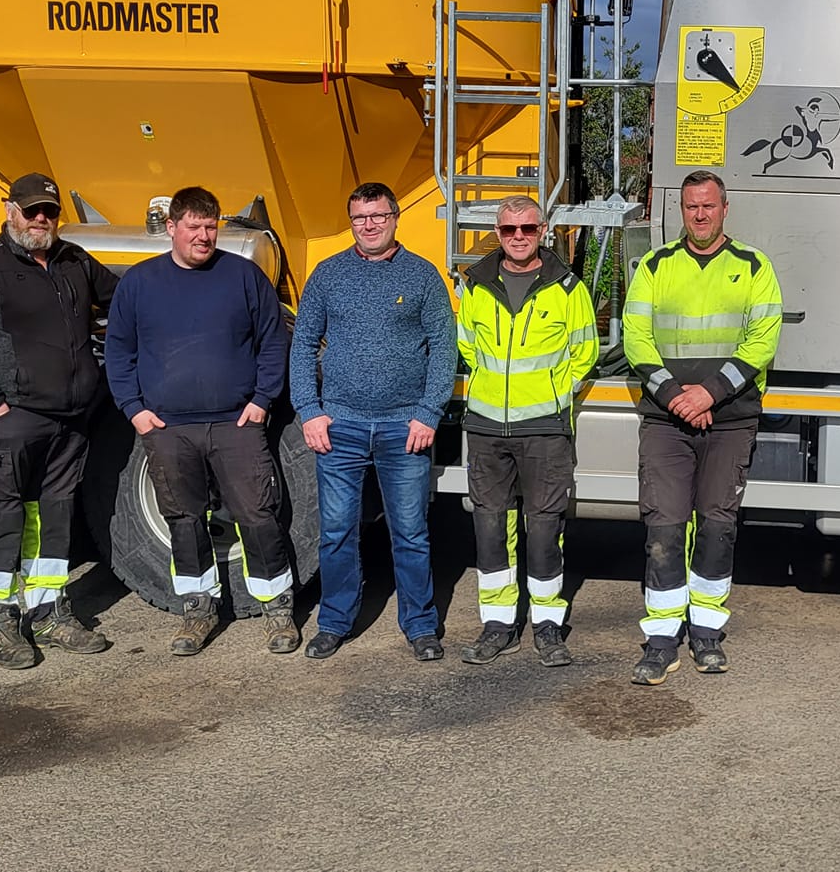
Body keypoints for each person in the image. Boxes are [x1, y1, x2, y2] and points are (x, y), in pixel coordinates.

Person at [104, 186, 298, 657]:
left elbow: (273, 341)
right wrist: (136, 410)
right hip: (168, 429)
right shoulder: (139, 283)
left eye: (211, 227)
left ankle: (277, 608)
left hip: (236, 424)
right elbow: (119, 351)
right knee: (184, 519)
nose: (204, 236)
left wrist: (262, 401)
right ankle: (198, 608)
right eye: (193, 227)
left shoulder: (244, 277)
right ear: (171, 228)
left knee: (257, 515)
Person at [0, 172, 119, 669]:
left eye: (50, 212)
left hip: (69, 421)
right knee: (3, 517)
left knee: (55, 514)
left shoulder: (74, 261)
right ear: (10, 210)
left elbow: (122, 297)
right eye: (32, 210)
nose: (42, 220)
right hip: (10, 421)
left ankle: (48, 610)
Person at [621, 170, 782, 685]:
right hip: (666, 419)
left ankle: (707, 633)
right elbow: (636, 337)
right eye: (691, 206)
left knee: (717, 524)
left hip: (729, 417)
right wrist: (675, 395)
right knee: (663, 529)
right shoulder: (654, 265)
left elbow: (761, 342)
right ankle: (662, 639)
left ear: (724, 208)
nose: (700, 214)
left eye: (708, 206)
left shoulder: (754, 267)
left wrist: (709, 393)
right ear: (682, 210)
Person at [290, 182, 458, 662]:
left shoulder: (422, 276)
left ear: (395, 217)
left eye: (377, 216)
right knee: (337, 531)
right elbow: (302, 346)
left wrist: (428, 414)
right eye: (360, 218)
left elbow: (444, 349)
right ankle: (335, 622)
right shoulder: (328, 275)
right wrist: (309, 410)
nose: (369, 225)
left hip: (404, 429)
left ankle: (421, 626)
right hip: (339, 426)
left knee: (410, 532)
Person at [453, 196, 599, 667]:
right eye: (510, 229)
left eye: (529, 228)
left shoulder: (568, 288)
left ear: (544, 231)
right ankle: (498, 624)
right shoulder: (475, 286)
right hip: (487, 427)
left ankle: (547, 624)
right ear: (498, 234)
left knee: (543, 529)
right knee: (491, 527)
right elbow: (469, 348)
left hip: (546, 429)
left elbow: (585, 353)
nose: (519, 236)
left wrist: (554, 395)